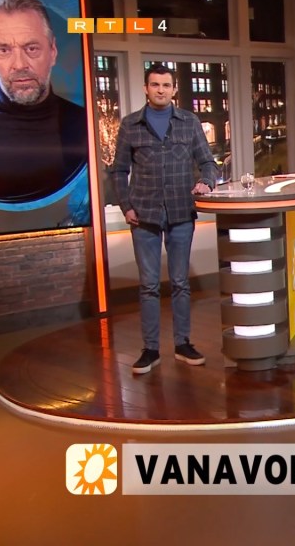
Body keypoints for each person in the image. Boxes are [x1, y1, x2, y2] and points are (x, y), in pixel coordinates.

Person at [109, 64, 218, 374]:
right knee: (148, 285)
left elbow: (208, 163)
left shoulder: (189, 122)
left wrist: (206, 182)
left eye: (166, 85)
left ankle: (183, 344)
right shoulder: (131, 125)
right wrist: (126, 206)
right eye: (155, 84)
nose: (160, 89)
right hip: (143, 215)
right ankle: (150, 350)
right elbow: (118, 170)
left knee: (181, 283)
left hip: (181, 211)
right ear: (146, 88)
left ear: (174, 89)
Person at [0, 0, 87, 204]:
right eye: (3, 50)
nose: (20, 64)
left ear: (53, 52)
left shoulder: (83, 123)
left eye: (31, 48)